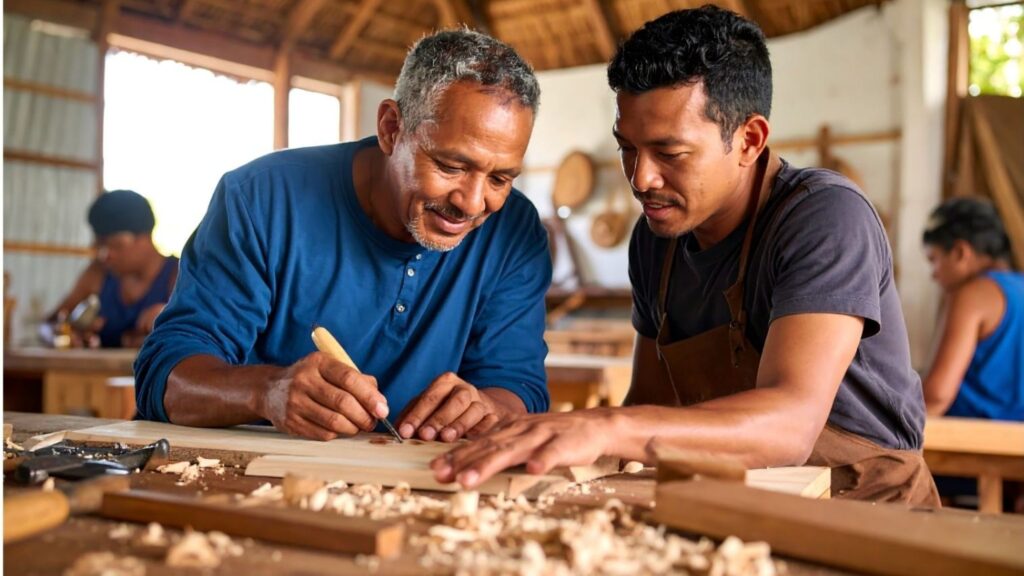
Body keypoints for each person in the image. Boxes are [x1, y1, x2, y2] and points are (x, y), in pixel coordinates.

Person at [433, 6, 939, 506]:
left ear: (749, 140)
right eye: (627, 148)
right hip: (745, 504)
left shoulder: (826, 218)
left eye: (669, 154)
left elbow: (791, 427)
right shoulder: (656, 240)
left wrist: (603, 424)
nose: (641, 179)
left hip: (871, 511)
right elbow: (652, 407)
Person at [134, 29, 552, 443]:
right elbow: (164, 378)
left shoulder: (515, 233)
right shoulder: (261, 198)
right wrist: (266, 391)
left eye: (499, 178)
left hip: (416, 487)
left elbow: (519, 387)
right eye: (451, 166)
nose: (473, 203)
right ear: (391, 128)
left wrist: (488, 407)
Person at [921, 197, 1022, 420]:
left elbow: (937, 396)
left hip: (976, 440)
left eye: (934, 259)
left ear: (960, 252)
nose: (934, 274)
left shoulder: (973, 294)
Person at [46, 189, 178, 348]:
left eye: (115, 245)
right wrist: (65, 336)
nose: (105, 255)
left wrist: (169, 316)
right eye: (102, 247)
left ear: (144, 238)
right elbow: (49, 325)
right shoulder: (99, 274)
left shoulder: (179, 275)